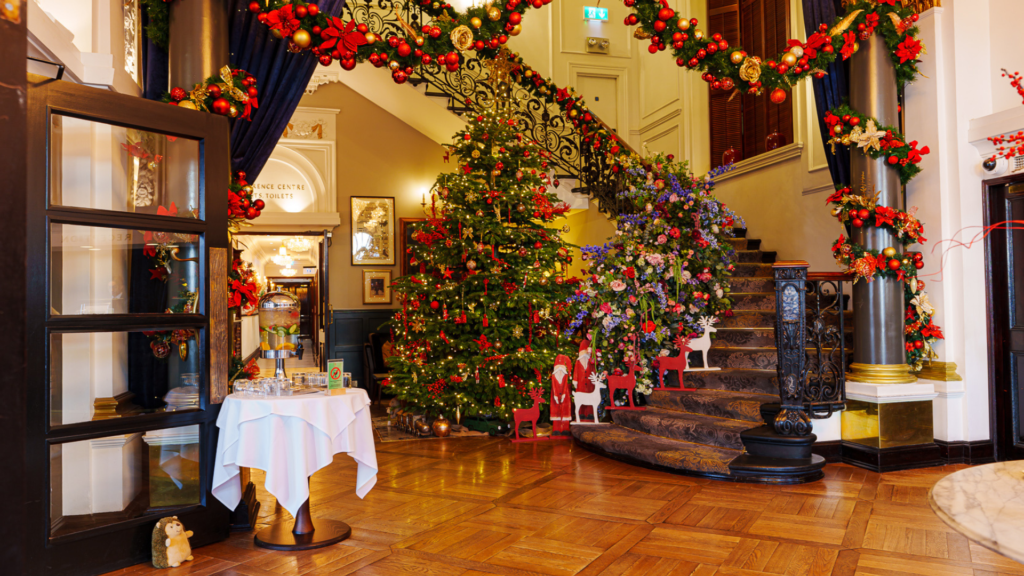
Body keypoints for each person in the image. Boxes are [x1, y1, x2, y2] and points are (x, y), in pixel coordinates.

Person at [572, 340, 596, 420]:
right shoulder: (578, 362)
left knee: (590, 398)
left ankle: (590, 413)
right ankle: (581, 413)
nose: (584, 355)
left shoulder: (591, 362)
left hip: (590, 384)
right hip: (580, 385)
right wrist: (575, 380)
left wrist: (594, 379)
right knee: (580, 399)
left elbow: (593, 370)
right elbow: (576, 371)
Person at [550, 354, 572, 435]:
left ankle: (565, 428)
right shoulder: (554, 376)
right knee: (556, 412)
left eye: (561, 368)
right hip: (555, 397)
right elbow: (554, 386)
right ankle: (556, 429)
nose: (559, 370)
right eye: (558, 368)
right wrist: (555, 395)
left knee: (565, 411)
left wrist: (563, 395)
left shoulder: (565, 376)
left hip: (565, 397)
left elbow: (565, 386)